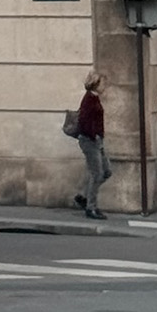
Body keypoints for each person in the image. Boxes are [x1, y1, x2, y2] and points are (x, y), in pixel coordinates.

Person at [71, 71, 111, 219]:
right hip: (90, 141)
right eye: (103, 83)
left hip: (96, 141)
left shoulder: (94, 98)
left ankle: (83, 197)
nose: (105, 86)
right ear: (96, 84)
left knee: (106, 171)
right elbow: (84, 121)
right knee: (97, 174)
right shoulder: (89, 99)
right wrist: (94, 136)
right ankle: (91, 207)